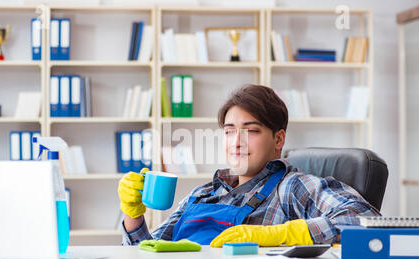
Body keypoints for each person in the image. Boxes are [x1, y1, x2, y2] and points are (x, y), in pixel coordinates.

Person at [118, 84, 380, 247]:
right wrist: (133, 216)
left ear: (279, 139)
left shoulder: (292, 188)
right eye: (230, 132)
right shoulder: (203, 194)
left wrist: (282, 234)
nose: (237, 143)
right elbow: (146, 258)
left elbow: (366, 220)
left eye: (251, 131)